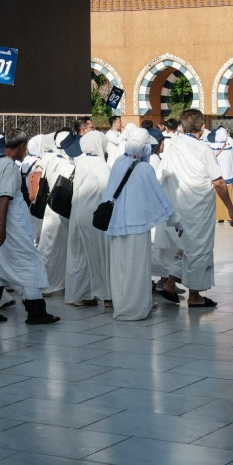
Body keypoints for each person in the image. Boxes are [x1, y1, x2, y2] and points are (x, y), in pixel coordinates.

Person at [159, 109, 233, 308]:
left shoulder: (172, 146)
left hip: (178, 206)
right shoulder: (203, 150)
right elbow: (218, 182)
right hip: (198, 209)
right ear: (202, 127)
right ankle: (194, 295)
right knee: (199, 250)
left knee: (184, 247)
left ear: (182, 126)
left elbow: (164, 174)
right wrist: (230, 208)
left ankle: (169, 285)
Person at [0, 135, 58, 325]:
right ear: (21, 146)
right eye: (26, 148)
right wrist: (3, 227)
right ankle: (36, 313)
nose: (26, 152)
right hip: (9, 230)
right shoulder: (11, 167)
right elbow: (4, 197)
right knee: (30, 265)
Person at [106, 127, 183, 321]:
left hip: (116, 225)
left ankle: (122, 306)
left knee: (120, 267)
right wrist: (177, 222)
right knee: (137, 267)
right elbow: (160, 198)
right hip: (137, 227)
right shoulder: (144, 168)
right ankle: (136, 308)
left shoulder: (119, 162)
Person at [65, 130, 112, 308]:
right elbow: (108, 191)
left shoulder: (81, 161)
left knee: (81, 255)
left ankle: (81, 295)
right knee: (100, 255)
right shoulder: (100, 164)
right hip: (94, 216)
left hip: (78, 213)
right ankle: (108, 296)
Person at [34, 131, 74, 296]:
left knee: (49, 246)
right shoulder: (66, 163)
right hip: (61, 208)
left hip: (51, 207)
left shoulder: (49, 161)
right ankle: (46, 284)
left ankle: (47, 282)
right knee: (53, 248)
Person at [208, 128, 233, 223]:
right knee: (228, 195)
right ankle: (228, 216)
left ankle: (218, 216)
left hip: (217, 176)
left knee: (218, 195)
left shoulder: (211, 147)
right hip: (228, 174)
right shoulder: (230, 146)